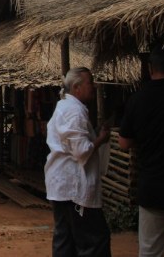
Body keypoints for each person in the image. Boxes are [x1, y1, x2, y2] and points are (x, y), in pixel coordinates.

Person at [44, 67, 111, 257]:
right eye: (90, 82)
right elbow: (81, 152)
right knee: (93, 242)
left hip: (63, 187)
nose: (94, 86)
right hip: (74, 189)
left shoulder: (66, 107)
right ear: (77, 87)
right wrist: (101, 139)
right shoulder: (73, 111)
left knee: (65, 241)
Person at [119, 45, 164, 257]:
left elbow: (124, 143)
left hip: (152, 187)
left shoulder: (138, 99)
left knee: (150, 251)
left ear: (151, 69)